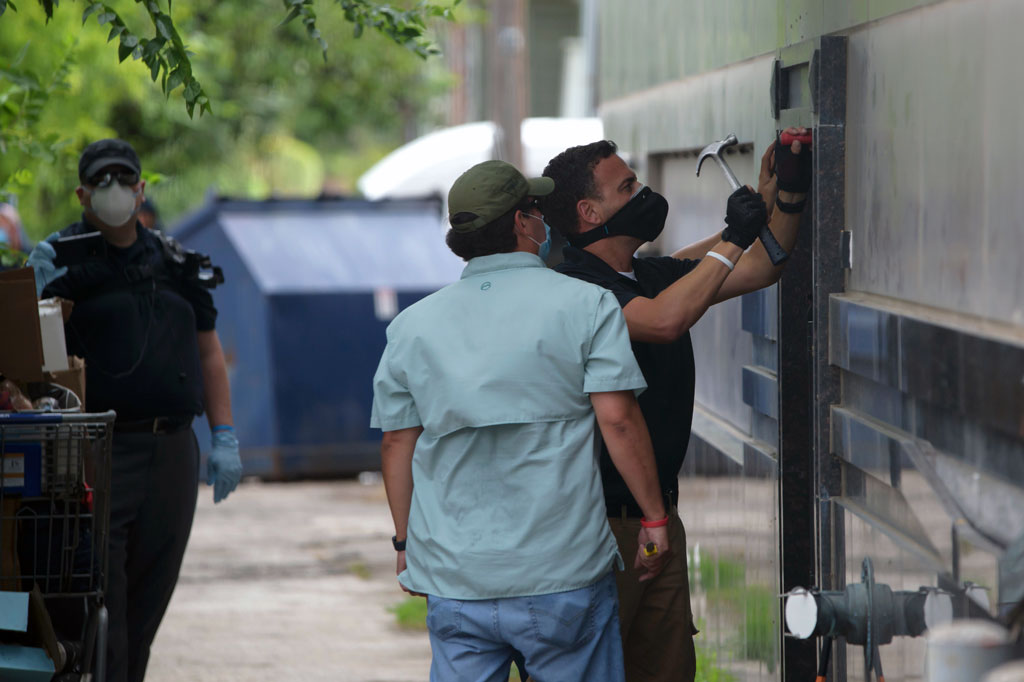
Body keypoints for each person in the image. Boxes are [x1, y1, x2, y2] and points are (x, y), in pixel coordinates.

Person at [371, 160, 673, 682]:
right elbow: (618, 420)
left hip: (456, 577)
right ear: (521, 223)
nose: (542, 220)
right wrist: (654, 519)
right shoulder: (587, 304)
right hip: (562, 572)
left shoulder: (411, 328)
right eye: (535, 210)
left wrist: (406, 545)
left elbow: (398, 443)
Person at [538, 128, 812, 682]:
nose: (643, 195)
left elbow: (762, 265)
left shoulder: (648, 275)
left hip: (657, 517)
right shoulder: (574, 291)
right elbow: (664, 321)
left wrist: (784, 198)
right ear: (589, 212)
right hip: (596, 532)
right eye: (628, 187)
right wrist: (734, 236)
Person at [24, 138, 243, 682]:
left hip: (171, 451)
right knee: (104, 594)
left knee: (150, 592)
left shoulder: (175, 263)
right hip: (98, 450)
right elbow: (25, 346)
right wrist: (31, 287)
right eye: (102, 181)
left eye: (124, 179)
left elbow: (209, 351)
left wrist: (224, 435)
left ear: (142, 189)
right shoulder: (63, 260)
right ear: (82, 194)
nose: (114, 190)